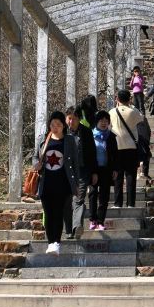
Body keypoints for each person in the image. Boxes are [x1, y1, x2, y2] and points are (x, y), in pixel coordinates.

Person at [33, 110, 79, 255]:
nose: (55, 127)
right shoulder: (42, 139)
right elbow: (35, 157)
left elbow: (76, 163)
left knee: (58, 212)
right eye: (52, 124)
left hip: (63, 182)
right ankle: (50, 242)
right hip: (46, 182)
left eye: (58, 124)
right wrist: (36, 165)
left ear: (63, 125)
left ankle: (56, 243)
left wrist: (77, 183)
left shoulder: (70, 140)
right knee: (48, 213)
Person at [64, 106, 98, 239]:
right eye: (69, 119)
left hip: (82, 171)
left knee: (78, 199)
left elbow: (92, 153)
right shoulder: (62, 132)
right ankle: (69, 230)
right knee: (67, 201)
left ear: (79, 119)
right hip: (65, 172)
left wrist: (94, 172)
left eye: (74, 119)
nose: (71, 122)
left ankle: (77, 226)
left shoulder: (86, 132)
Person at [109, 89, 144, 208]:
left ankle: (118, 203)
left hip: (117, 147)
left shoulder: (112, 112)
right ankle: (131, 203)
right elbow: (141, 119)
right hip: (131, 147)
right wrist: (132, 105)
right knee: (131, 177)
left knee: (118, 177)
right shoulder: (133, 111)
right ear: (129, 99)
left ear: (117, 99)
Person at [89, 110, 118, 230]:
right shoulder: (90, 135)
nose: (104, 123)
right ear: (97, 121)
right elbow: (88, 155)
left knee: (104, 196)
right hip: (94, 170)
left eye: (106, 121)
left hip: (107, 169)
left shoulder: (111, 136)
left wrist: (115, 169)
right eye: (101, 120)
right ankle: (92, 219)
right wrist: (91, 171)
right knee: (93, 194)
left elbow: (116, 154)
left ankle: (101, 221)